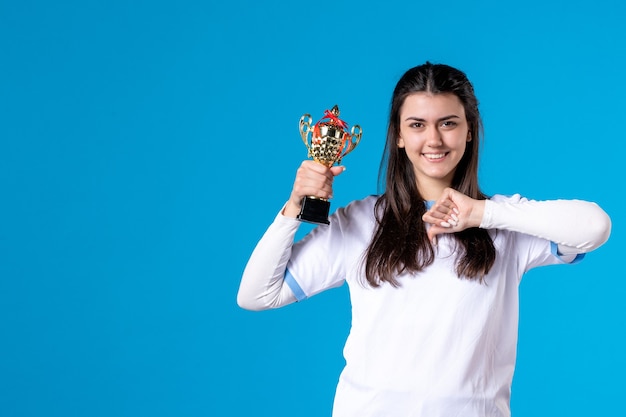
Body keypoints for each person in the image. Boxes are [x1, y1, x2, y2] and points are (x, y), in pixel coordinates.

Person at [237, 62, 612, 417]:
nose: (433, 139)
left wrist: (481, 214)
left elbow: (595, 226)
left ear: (470, 129)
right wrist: (293, 208)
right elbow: (256, 295)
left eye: (448, 123)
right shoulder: (363, 221)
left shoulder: (504, 223)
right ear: (398, 135)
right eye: (417, 124)